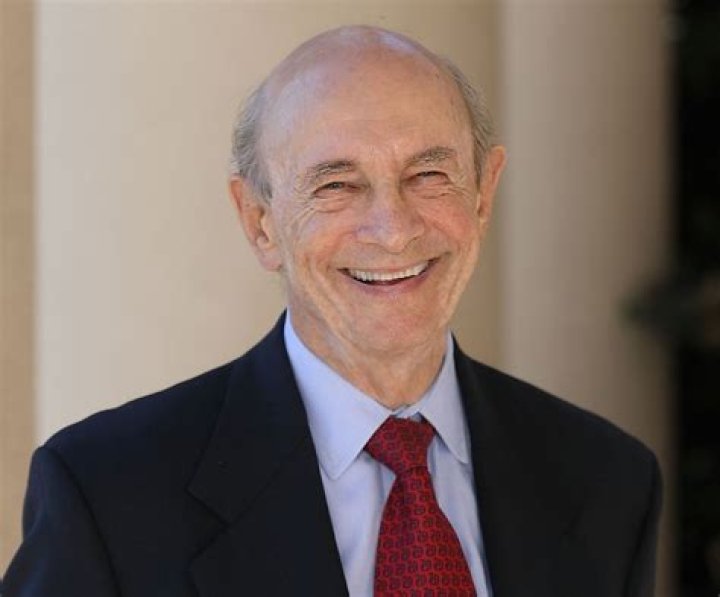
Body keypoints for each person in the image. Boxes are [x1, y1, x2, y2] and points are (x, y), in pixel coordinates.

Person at [2, 25, 660, 597]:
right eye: (337, 184)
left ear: (484, 195)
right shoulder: (109, 494)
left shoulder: (607, 480)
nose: (393, 230)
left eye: (428, 175)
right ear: (260, 222)